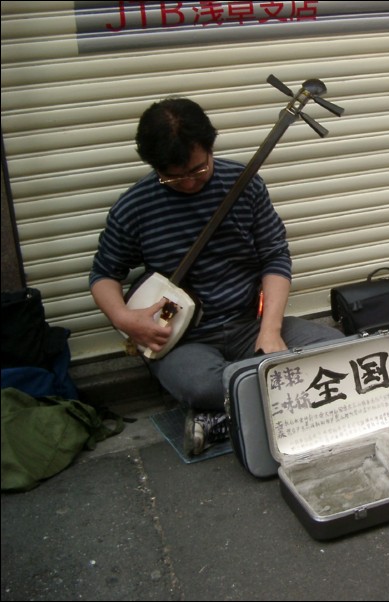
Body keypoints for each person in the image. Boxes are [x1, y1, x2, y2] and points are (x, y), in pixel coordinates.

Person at [90, 97, 344, 455]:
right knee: (202, 386)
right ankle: (272, 397)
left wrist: (269, 331)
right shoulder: (134, 206)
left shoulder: (245, 185)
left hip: (248, 324)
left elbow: (275, 258)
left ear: (210, 147)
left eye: (197, 170)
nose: (188, 183)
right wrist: (124, 318)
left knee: (334, 349)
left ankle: (221, 421)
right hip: (185, 339)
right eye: (173, 176)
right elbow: (104, 273)